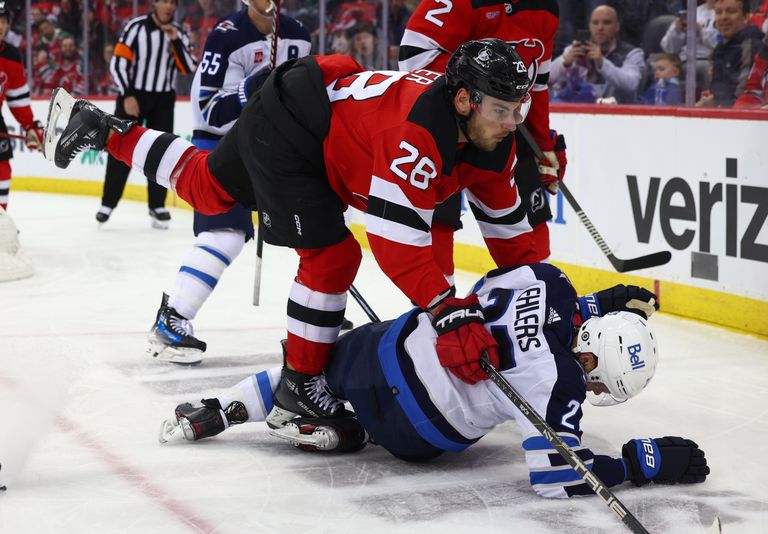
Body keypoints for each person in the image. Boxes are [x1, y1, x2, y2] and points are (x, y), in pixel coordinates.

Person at [44, 39, 543, 430]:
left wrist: (542, 299)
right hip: (298, 133)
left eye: (517, 108)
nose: (511, 122)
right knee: (332, 258)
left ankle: (106, 129)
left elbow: (512, 239)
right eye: (501, 109)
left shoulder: (492, 141)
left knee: (206, 187)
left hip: (302, 104)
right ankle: (300, 388)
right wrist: (445, 309)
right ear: (463, 99)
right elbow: (396, 243)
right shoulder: (417, 134)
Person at [158, 263, 710, 500]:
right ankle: (355, 433)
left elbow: (501, 291)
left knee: (313, 365)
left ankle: (221, 407)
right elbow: (558, 480)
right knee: (424, 422)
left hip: (377, 352)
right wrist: (641, 463)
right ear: (590, 363)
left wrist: (593, 302)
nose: (589, 393)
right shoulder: (561, 385)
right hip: (415, 436)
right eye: (597, 384)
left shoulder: (547, 278)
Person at [146, 0, 312, 364]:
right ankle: (172, 317)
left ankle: (320, 321)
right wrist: (251, 89)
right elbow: (206, 108)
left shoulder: (299, 35)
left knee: (318, 225)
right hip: (223, 143)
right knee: (224, 234)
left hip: (276, 144)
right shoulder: (226, 36)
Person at [398, 0, 563, 282]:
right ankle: (437, 312)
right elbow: (414, 58)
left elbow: (538, 84)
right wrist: (486, 84)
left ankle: (545, 300)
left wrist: (543, 145)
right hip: (449, 122)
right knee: (440, 217)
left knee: (528, 215)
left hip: (508, 120)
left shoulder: (546, 8)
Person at [97, 0, 196, 229]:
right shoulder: (136, 27)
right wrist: (128, 94)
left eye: (172, 2)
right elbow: (118, 64)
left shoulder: (178, 32)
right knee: (119, 146)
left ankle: (157, 205)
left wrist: (174, 40)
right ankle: (108, 203)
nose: (169, 6)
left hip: (163, 99)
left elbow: (188, 67)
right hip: (133, 95)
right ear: (155, 3)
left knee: (162, 152)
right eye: (164, 1)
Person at [549, 5, 646, 104]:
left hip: (618, 113)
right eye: (595, 23)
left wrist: (602, 63)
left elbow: (631, 84)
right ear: (590, 26)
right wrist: (565, 61)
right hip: (578, 112)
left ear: (617, 27)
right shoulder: (576, 49)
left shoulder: (632, 53)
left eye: (606, 23)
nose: (600, 28)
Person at [0, 1, 43, 211]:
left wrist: (30, 126)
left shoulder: (11, 56)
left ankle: (0, 221)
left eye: (3, 21)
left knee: (2, 169)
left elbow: (18, 99)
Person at [697, 0, 763, 107]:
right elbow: (718, 93)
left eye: (731, 11)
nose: (724, 17)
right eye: (718, 12)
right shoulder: (719, 48)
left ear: (746, 17)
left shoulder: (751, 46)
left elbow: (744, 93)